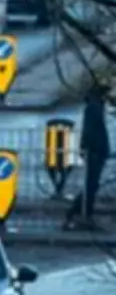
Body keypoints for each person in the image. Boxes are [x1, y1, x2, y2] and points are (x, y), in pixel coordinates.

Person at [65, 82, 111, 229]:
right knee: (91, 185)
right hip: (95, 151)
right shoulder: (94, 107)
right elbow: (94, 131)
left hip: (95, 150)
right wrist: (94, 148)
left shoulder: (94, 106)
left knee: (92, 185)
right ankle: (80, 212)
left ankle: (80, 212)